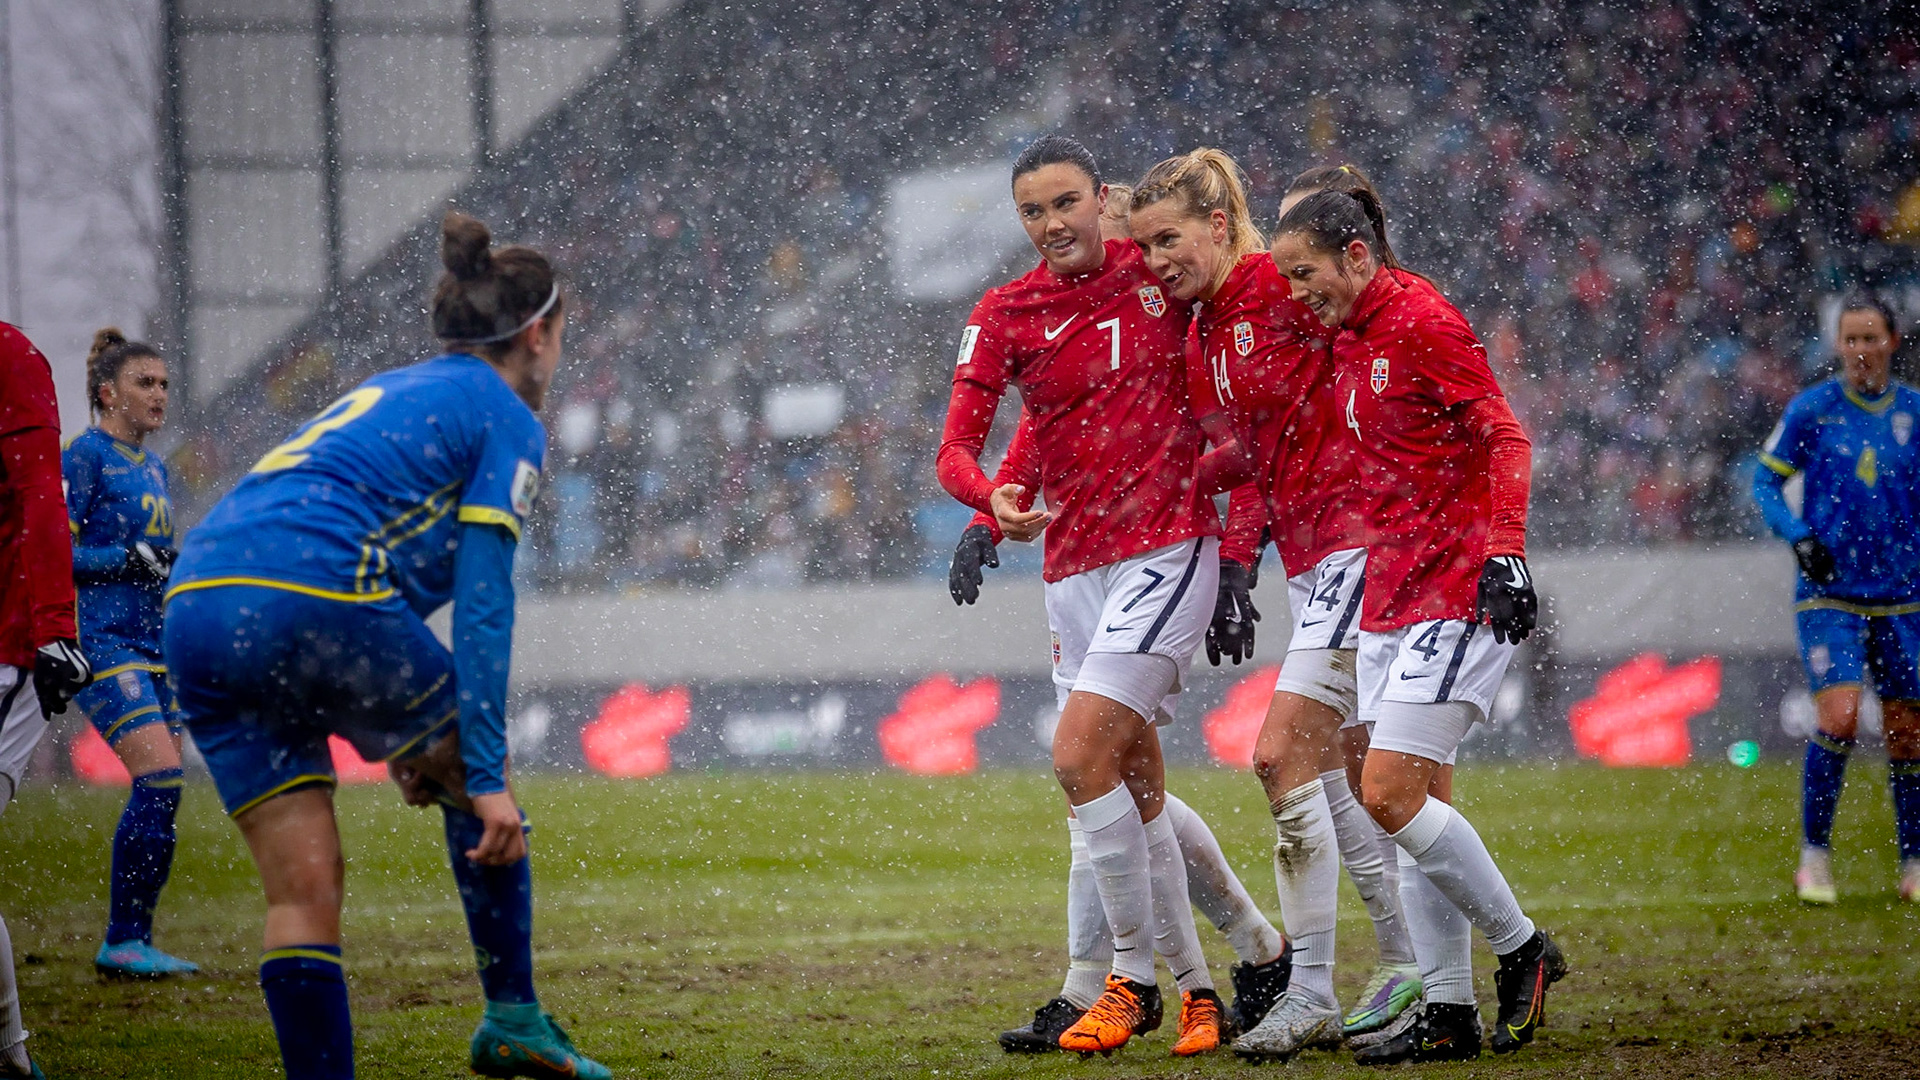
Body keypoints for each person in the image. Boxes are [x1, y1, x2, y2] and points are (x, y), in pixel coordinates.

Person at [163, 212, 607, 1080]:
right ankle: (512, 1015)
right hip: (311, 590)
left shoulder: (398, 389)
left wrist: (397, 728)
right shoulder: (506, 416)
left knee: (301, 894)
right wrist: (478, 773)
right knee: (478, 779)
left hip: (198, 601)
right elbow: (483, 608)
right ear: (538, 333)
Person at [937, 135, 1255, 1057]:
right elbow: (965, 447)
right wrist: (985, 507)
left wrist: (1238, 555)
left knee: (1080, 761)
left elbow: (1230, 414)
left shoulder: (1158, 277)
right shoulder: (1005, 312)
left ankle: (1127, 981)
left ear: (1099, 198)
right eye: (1032, 211)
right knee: (1131, 790)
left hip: (1165, 547)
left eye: (1066, 203)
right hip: (1072, 569)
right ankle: (1215, 983)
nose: (1051, 224)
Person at [1125, 152, 1419, 1061]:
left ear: (1220, 223)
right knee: (1338, 782)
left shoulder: (1274, 286)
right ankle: (1410, 970)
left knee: (1281, 758)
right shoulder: (1201, 334)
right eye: (1143, 248)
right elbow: (1252, 461)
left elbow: (1379, 319)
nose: (1155, 262)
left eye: (1167, 239)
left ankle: (1316, 991)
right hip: (1310, 558)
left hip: (1361, 539)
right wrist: (1241, 568)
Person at [1269, 188, 1564, 1064]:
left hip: (1457, 585)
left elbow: (1505, 438)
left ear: (1357, 256)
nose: (1296, 292)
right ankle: (1448, 1009)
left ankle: (1522, 950)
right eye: (1286, 277)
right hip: (1392, 593)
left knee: (1387, 794)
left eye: (1305, 273)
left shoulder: (1424, 320)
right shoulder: (1348, 338)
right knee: (1414, 806)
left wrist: (1505, 551)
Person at [1754, 290, 1920, 905]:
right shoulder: (1813, 410)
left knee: (1908, 733)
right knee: (1840, 717)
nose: (1859, 351)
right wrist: (1799, 538)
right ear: (1837, 346)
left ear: (1891, 342)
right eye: (1849, 340)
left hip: (1906, 596)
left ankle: (1913, 864)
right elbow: (1765, 481)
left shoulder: (1915, 413)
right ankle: (1814, 859)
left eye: (1870, 338)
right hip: (1832, 596)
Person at [62, 329, 197, 978]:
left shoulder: (154, 466)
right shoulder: (83, 457)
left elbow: (157, 562)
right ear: (106, 393)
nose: (159, 395)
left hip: (153, 646)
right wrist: (126, 559)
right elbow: (54, 555)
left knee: (166, 790)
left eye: (165, 384)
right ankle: (121, 941)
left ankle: (131, 941)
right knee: (161, 777)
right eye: (145, 383)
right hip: (103, 643)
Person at [0, 319, 93, 1080]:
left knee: (160, 779)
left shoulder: (9, 355)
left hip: (14, 647)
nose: (158, 397)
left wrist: (57, 628)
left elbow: (43, 502)